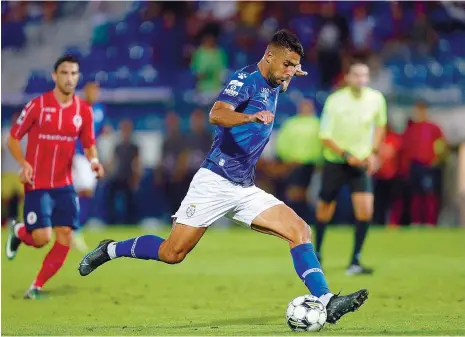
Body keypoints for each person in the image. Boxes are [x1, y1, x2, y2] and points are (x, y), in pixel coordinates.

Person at [79, 30, 368, 324]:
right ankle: (111, 249)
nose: (288, 72)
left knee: (300, 230)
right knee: (172, 252)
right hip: (214, 181)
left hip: (244, 187)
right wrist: (250, 117)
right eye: (286, 65)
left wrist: (291, 71)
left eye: (294, 66)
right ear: (269, 56)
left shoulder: (275, 80)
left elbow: (279, 82)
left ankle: (327, 300)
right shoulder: (244, 81)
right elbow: (217, 114)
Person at [5, 55, 105, 299]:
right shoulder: (38, 105)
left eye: (73, 74)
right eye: (64, 73)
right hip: (37, 183)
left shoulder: (83, 111)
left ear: (77, 77)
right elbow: (13, 137)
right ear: (55, 76)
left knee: (65, 237)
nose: (69, 78)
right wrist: (23, 163)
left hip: (64, 185)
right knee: (41, 238)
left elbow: (89, 143)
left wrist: (94, 161)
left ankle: (35, 287)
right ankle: (19, 232)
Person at [315, 58, 387, 275]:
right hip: (336, 161)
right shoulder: (335, 100)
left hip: (361, 162)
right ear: (347, 77)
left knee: (365, 210)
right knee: (325, 208)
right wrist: (346, 155)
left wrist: (374, 153)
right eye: (356, 75)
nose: (361, 79)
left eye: (364, 75)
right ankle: (317, 253)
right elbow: (324, 135)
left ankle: (355, 260)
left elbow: (381, 125)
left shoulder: (376, 99)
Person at [275, 99, 323, 226]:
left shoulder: (317, 124)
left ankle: (305, 220)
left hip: (311, 164)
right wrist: (287, 158)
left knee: (306, 194)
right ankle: (296, 219)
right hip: (293, 163)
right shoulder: (291, 123)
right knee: (294, 193)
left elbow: (322, 144)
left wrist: (319, 160)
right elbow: (282, 142)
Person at [71, 82, 105, 251]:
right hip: (78, 154)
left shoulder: (100, 110)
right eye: (91, 91)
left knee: (86, 193)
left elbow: (97, 131)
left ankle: (72, 227)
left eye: (96, 91)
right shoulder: (78, 108)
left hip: (91, 156)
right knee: (83, 190)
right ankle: (74, 230)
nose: (94, 94)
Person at [403, 102, 448, 226]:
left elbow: (441, 145)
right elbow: (406, 149)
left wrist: (437, 159)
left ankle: (430, 221)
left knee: (429, 194)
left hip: (428, 166)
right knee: (416, 194)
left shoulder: (433, 128)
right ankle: (416, 221)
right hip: (414, 166)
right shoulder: (411, 128)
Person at [106, 119, 141, 225]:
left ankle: (131, 221)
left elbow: (137, 162)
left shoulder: (134, 147)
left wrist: (136, 178)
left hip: (129, 177)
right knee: (110, 197)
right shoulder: (118, 146)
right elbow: (112, 161)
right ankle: (111, 220)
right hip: (118, 176)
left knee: (130, 201)